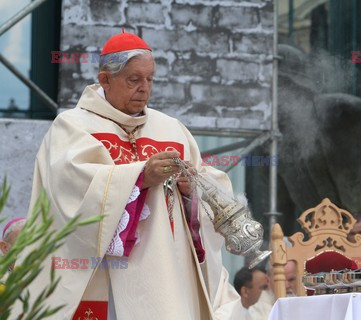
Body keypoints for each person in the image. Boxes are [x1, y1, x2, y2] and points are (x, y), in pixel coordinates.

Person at [15, 31, 239, 319]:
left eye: (150, 79)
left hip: (165, 274)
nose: (144, 88)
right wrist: (140, 176)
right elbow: (68, 191)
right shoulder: (72, 127)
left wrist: (190, 189)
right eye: (134, 80)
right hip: (102, 276)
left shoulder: (172, 129)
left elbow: (211, 188)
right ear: (106, 79)